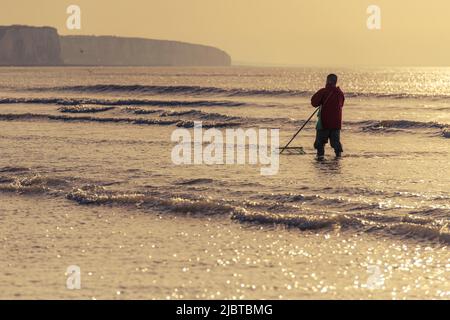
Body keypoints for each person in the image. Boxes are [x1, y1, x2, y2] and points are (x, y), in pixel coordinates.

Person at [311, 74, 345, 160]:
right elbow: (341, 105)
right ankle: (338, 158)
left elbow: (314, 102)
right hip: (336, 123)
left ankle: (320, 157)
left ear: (328, 81)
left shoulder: (323, 91)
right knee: (336, 143)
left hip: (324, 122)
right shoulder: (340, 93)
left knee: (320, 143)